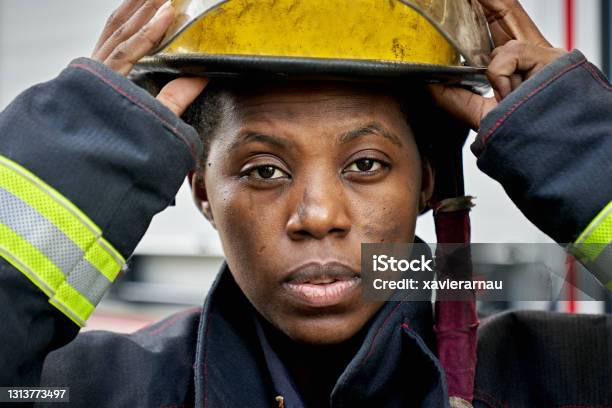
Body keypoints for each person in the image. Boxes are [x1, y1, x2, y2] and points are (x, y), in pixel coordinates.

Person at [0, 0, 610, 407]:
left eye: (365, 164)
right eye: (264, 170)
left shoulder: (562, 377)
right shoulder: (89, 390)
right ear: (201, 190)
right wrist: (82, 145)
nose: (318, 216)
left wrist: (576, 149)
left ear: (425, 184)